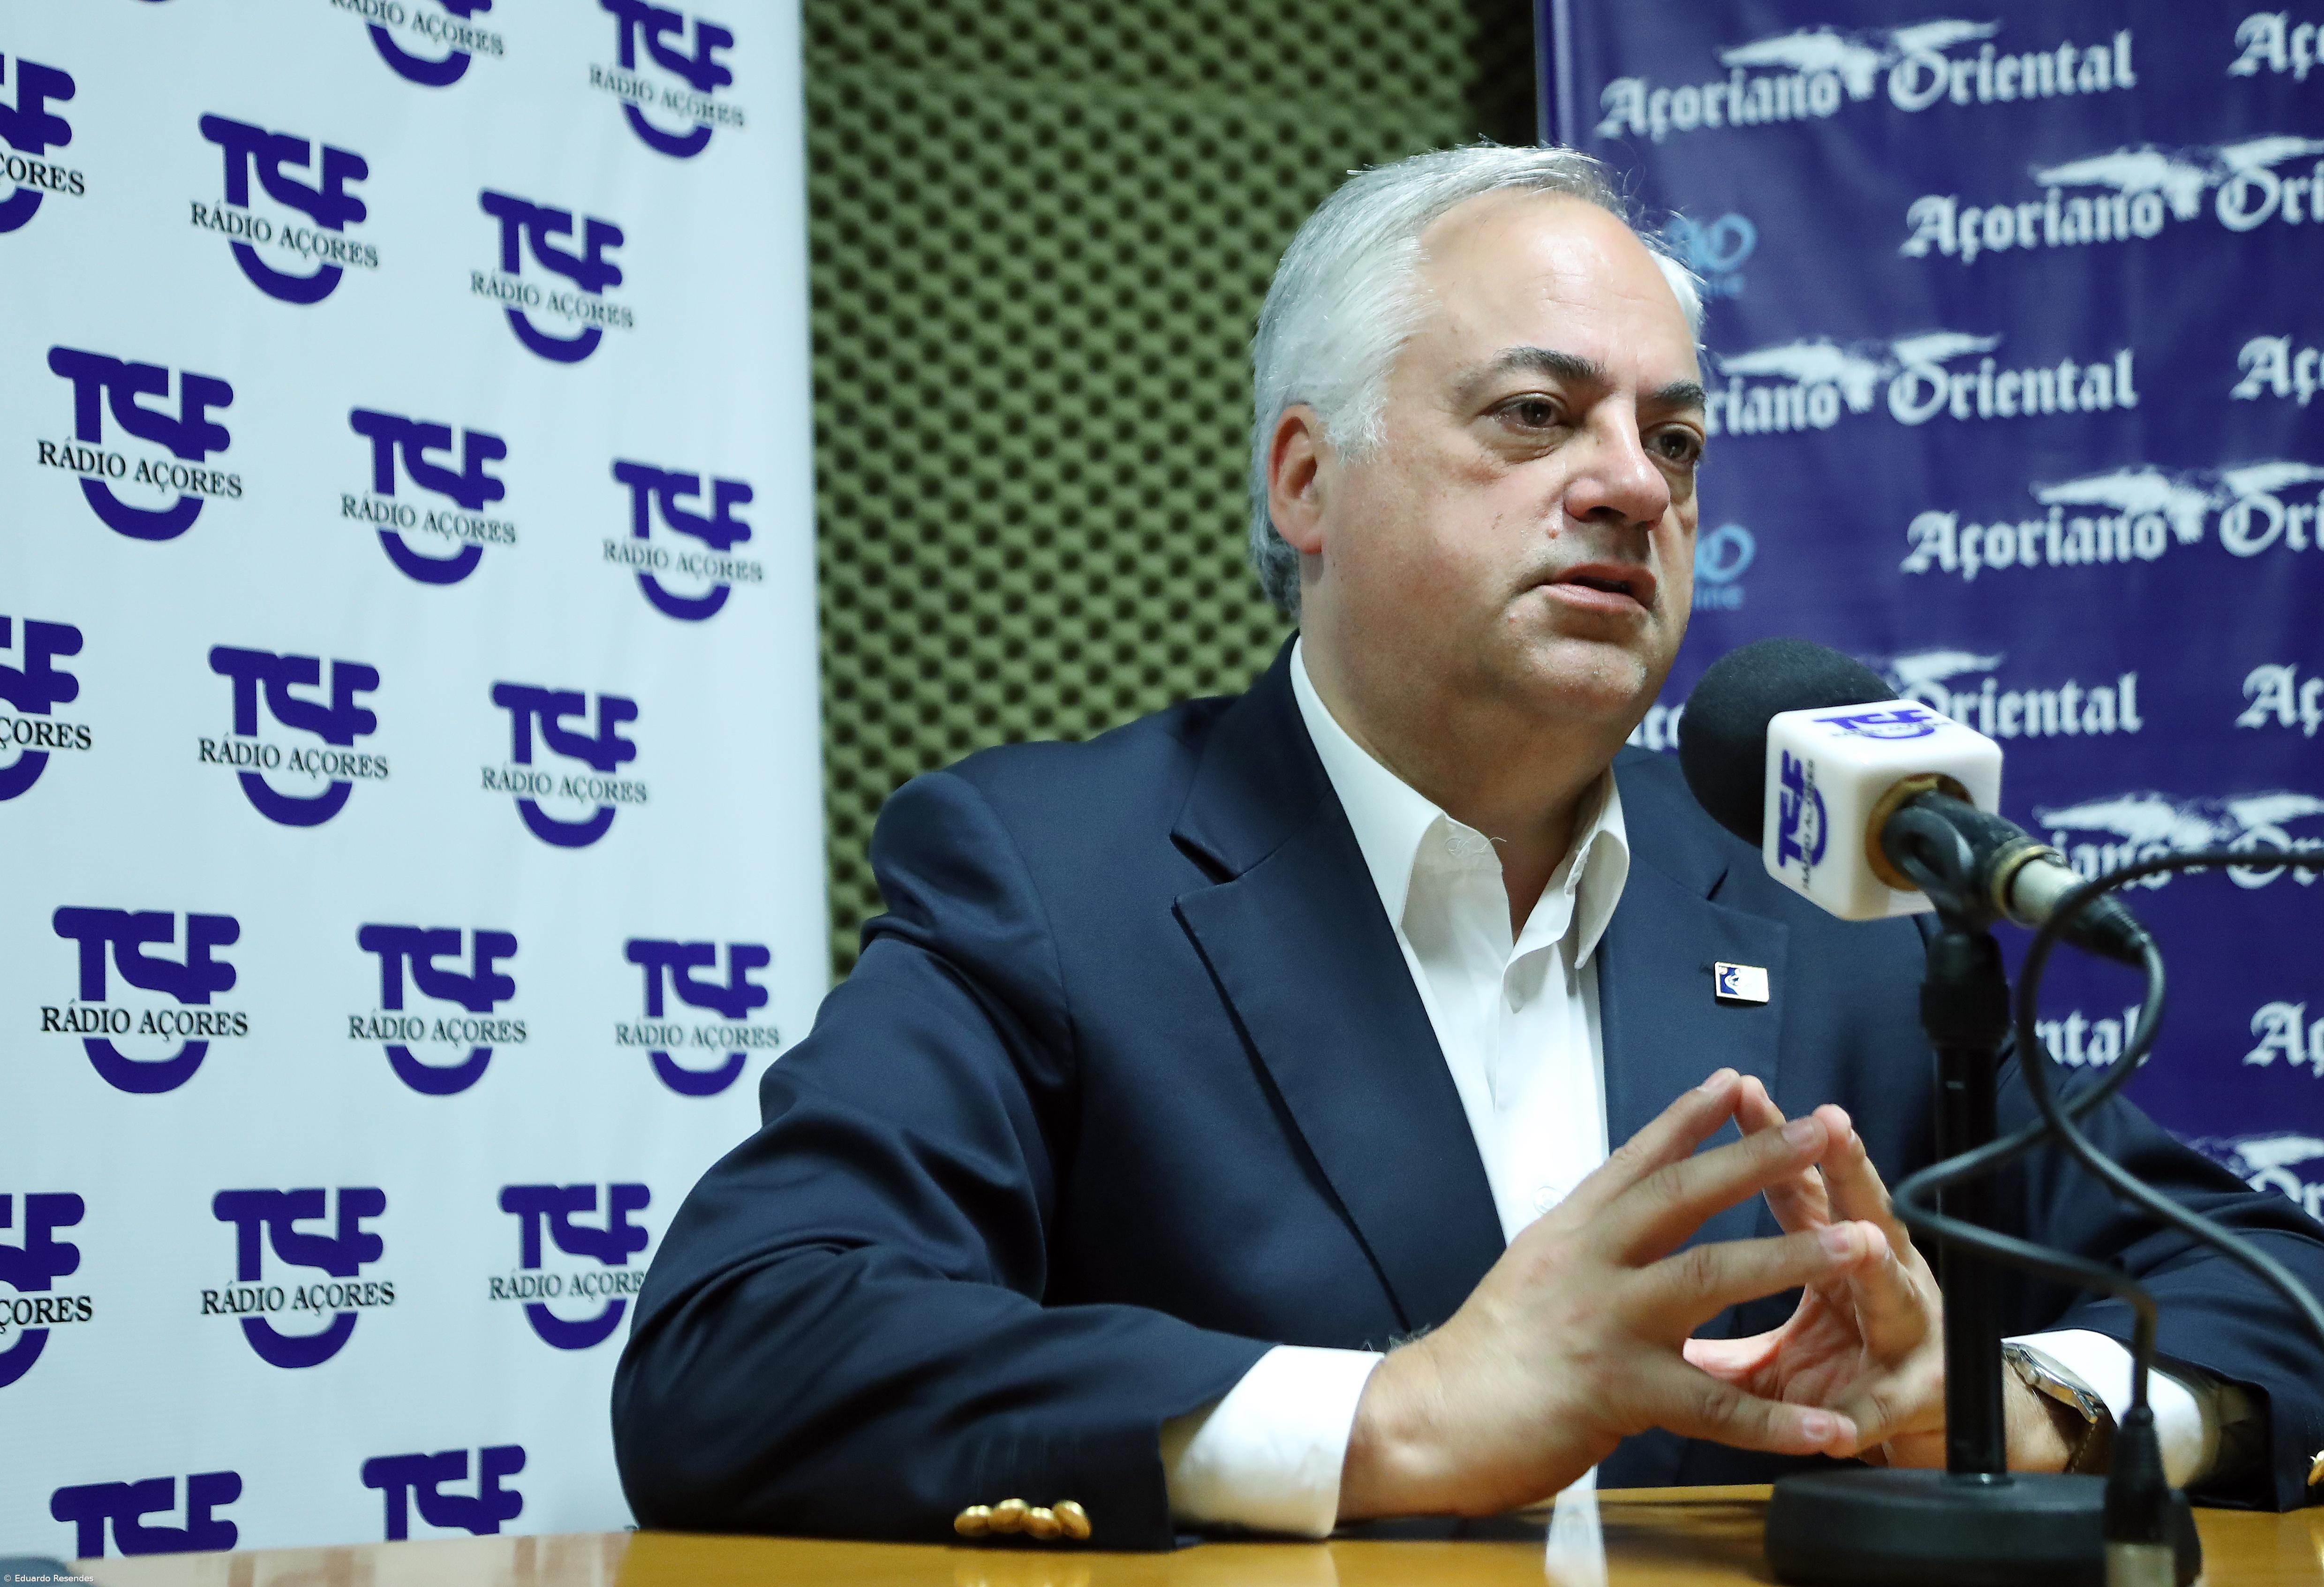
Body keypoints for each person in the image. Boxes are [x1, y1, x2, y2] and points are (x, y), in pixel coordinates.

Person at [611, 145, 2324, 1548]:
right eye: (1534, 416)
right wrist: (1402, 1414)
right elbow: (737, 1350)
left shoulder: (1836, 908)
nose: (1633, 488)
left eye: (1672, 440)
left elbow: (2278, 1288)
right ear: (1307, 481)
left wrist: (2006, 1406)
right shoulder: (1055, 874)